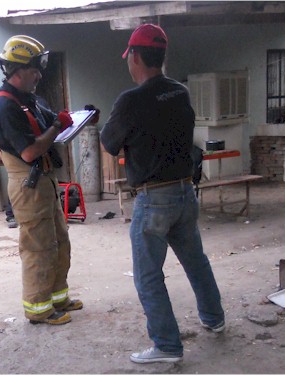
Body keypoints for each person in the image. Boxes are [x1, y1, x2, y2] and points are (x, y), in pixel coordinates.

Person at [100, 24, 225, 364]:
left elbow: (109, 143)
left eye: (130, 57)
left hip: (154, 198)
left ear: (135, 57)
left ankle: (167, 346)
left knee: (148, 275)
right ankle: (214, 318)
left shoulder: (130, 100)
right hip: (185, 193)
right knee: (195, 261)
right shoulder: (180, 92)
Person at [0, 35, 83, 325]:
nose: (39, 75)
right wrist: (57, 125)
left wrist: (75, 120)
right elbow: (30, 151)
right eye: (34, 70)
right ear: (17, 71)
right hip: (28, 184)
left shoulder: (28, 100)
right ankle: (38, 308)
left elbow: (48, 129)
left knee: (58, 242)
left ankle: (57, 297)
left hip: (45, 180)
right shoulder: (5, 107)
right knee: (38, 247)